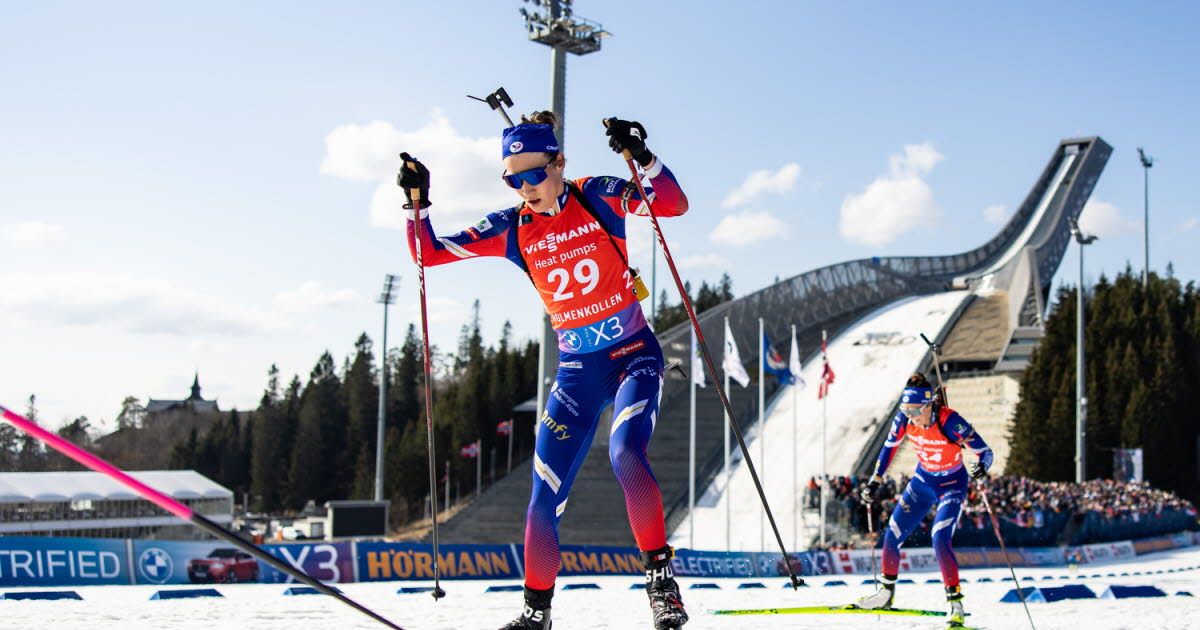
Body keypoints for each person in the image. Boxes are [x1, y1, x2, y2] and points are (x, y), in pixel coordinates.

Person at [398, 112, 690, 630]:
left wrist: (644, 157)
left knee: (625, 453)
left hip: (633, 356)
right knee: (542, 498)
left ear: (559, 163)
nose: (525, 188)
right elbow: (429, 253)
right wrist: (416, 203)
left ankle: (661, 585)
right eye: (512, 179)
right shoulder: (512, 226)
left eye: (534, 175)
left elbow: (672, 204)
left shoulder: (597, 195)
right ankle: (536, 613)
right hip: (577, 372)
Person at [855, 373, 994, 628]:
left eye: (915, 411)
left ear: (929, 405)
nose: (911, 417)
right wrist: (875, 480)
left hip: (951, 486)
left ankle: (955, 604)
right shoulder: (904, 420)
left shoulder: (949, 420)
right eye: (906, 410)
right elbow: (889, 448)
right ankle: (886, 593)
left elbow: (985, 451)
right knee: (892, 534)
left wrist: (981, 467)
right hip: (922, 483)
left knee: (939, 537)